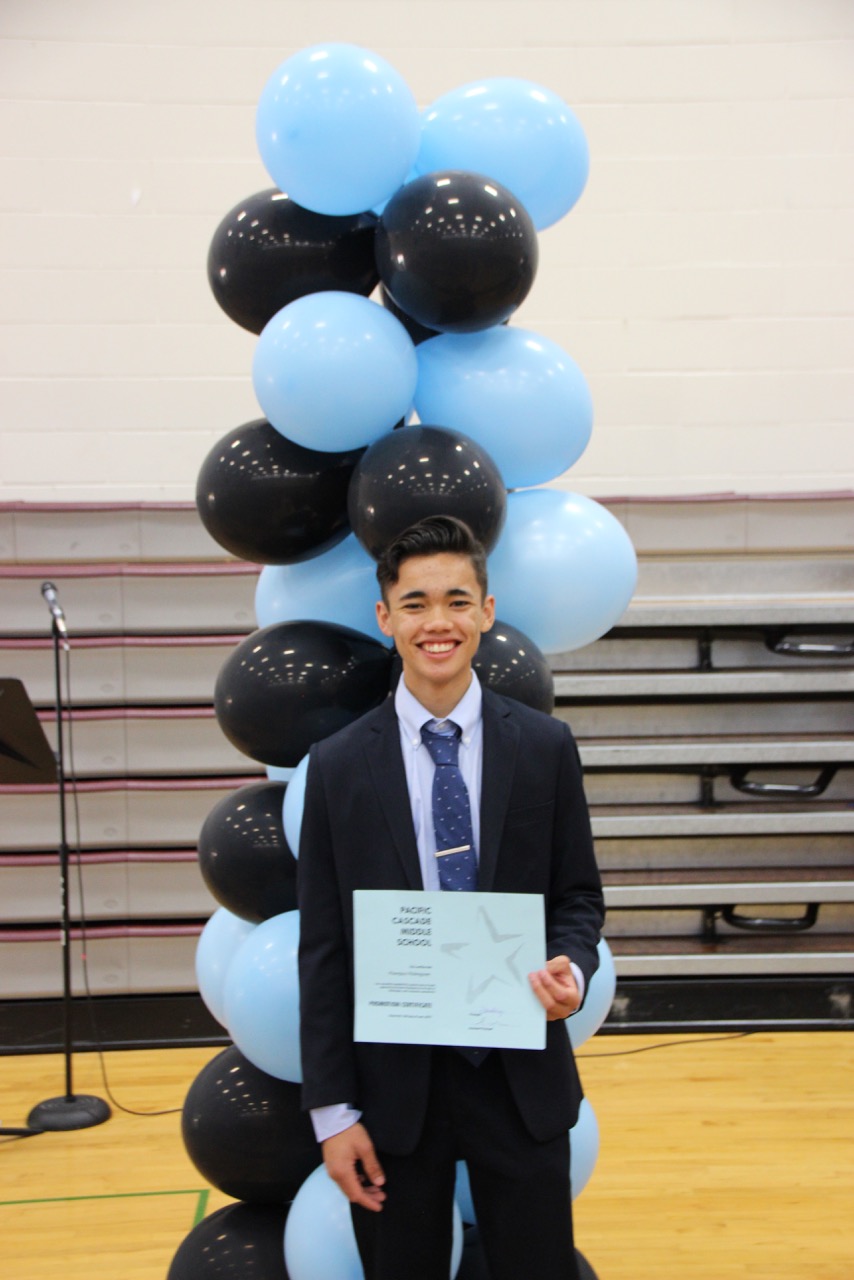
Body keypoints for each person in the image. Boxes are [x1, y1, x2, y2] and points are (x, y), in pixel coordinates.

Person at [297, 515, 604, 1280]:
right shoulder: (337, 766)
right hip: (393, 1089)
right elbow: (325, 947)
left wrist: (571, 965)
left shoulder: (545, 747)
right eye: (416, 603)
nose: (438, 621)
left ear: (487, 611)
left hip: (518, 1069)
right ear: (386, 618)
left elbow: (577, 897)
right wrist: (333, 1114)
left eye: (458, 601)